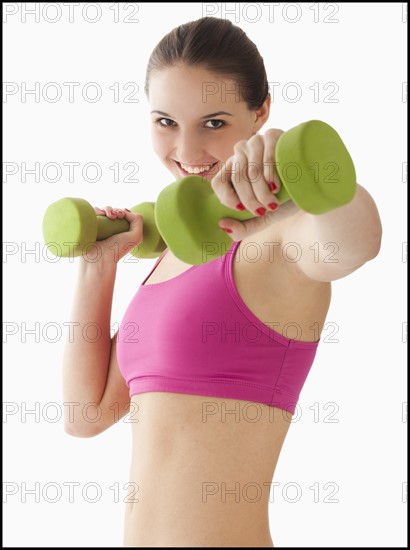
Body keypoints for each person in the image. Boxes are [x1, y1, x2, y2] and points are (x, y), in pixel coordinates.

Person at [62, 16, 383, 547]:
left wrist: (310, 184)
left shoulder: (286, 233)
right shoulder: (171, 254)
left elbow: (359, 242)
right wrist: (99, 267)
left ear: (260, 114)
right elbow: (85, 416)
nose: (186, 150)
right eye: (166, 121)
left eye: (213, 123)